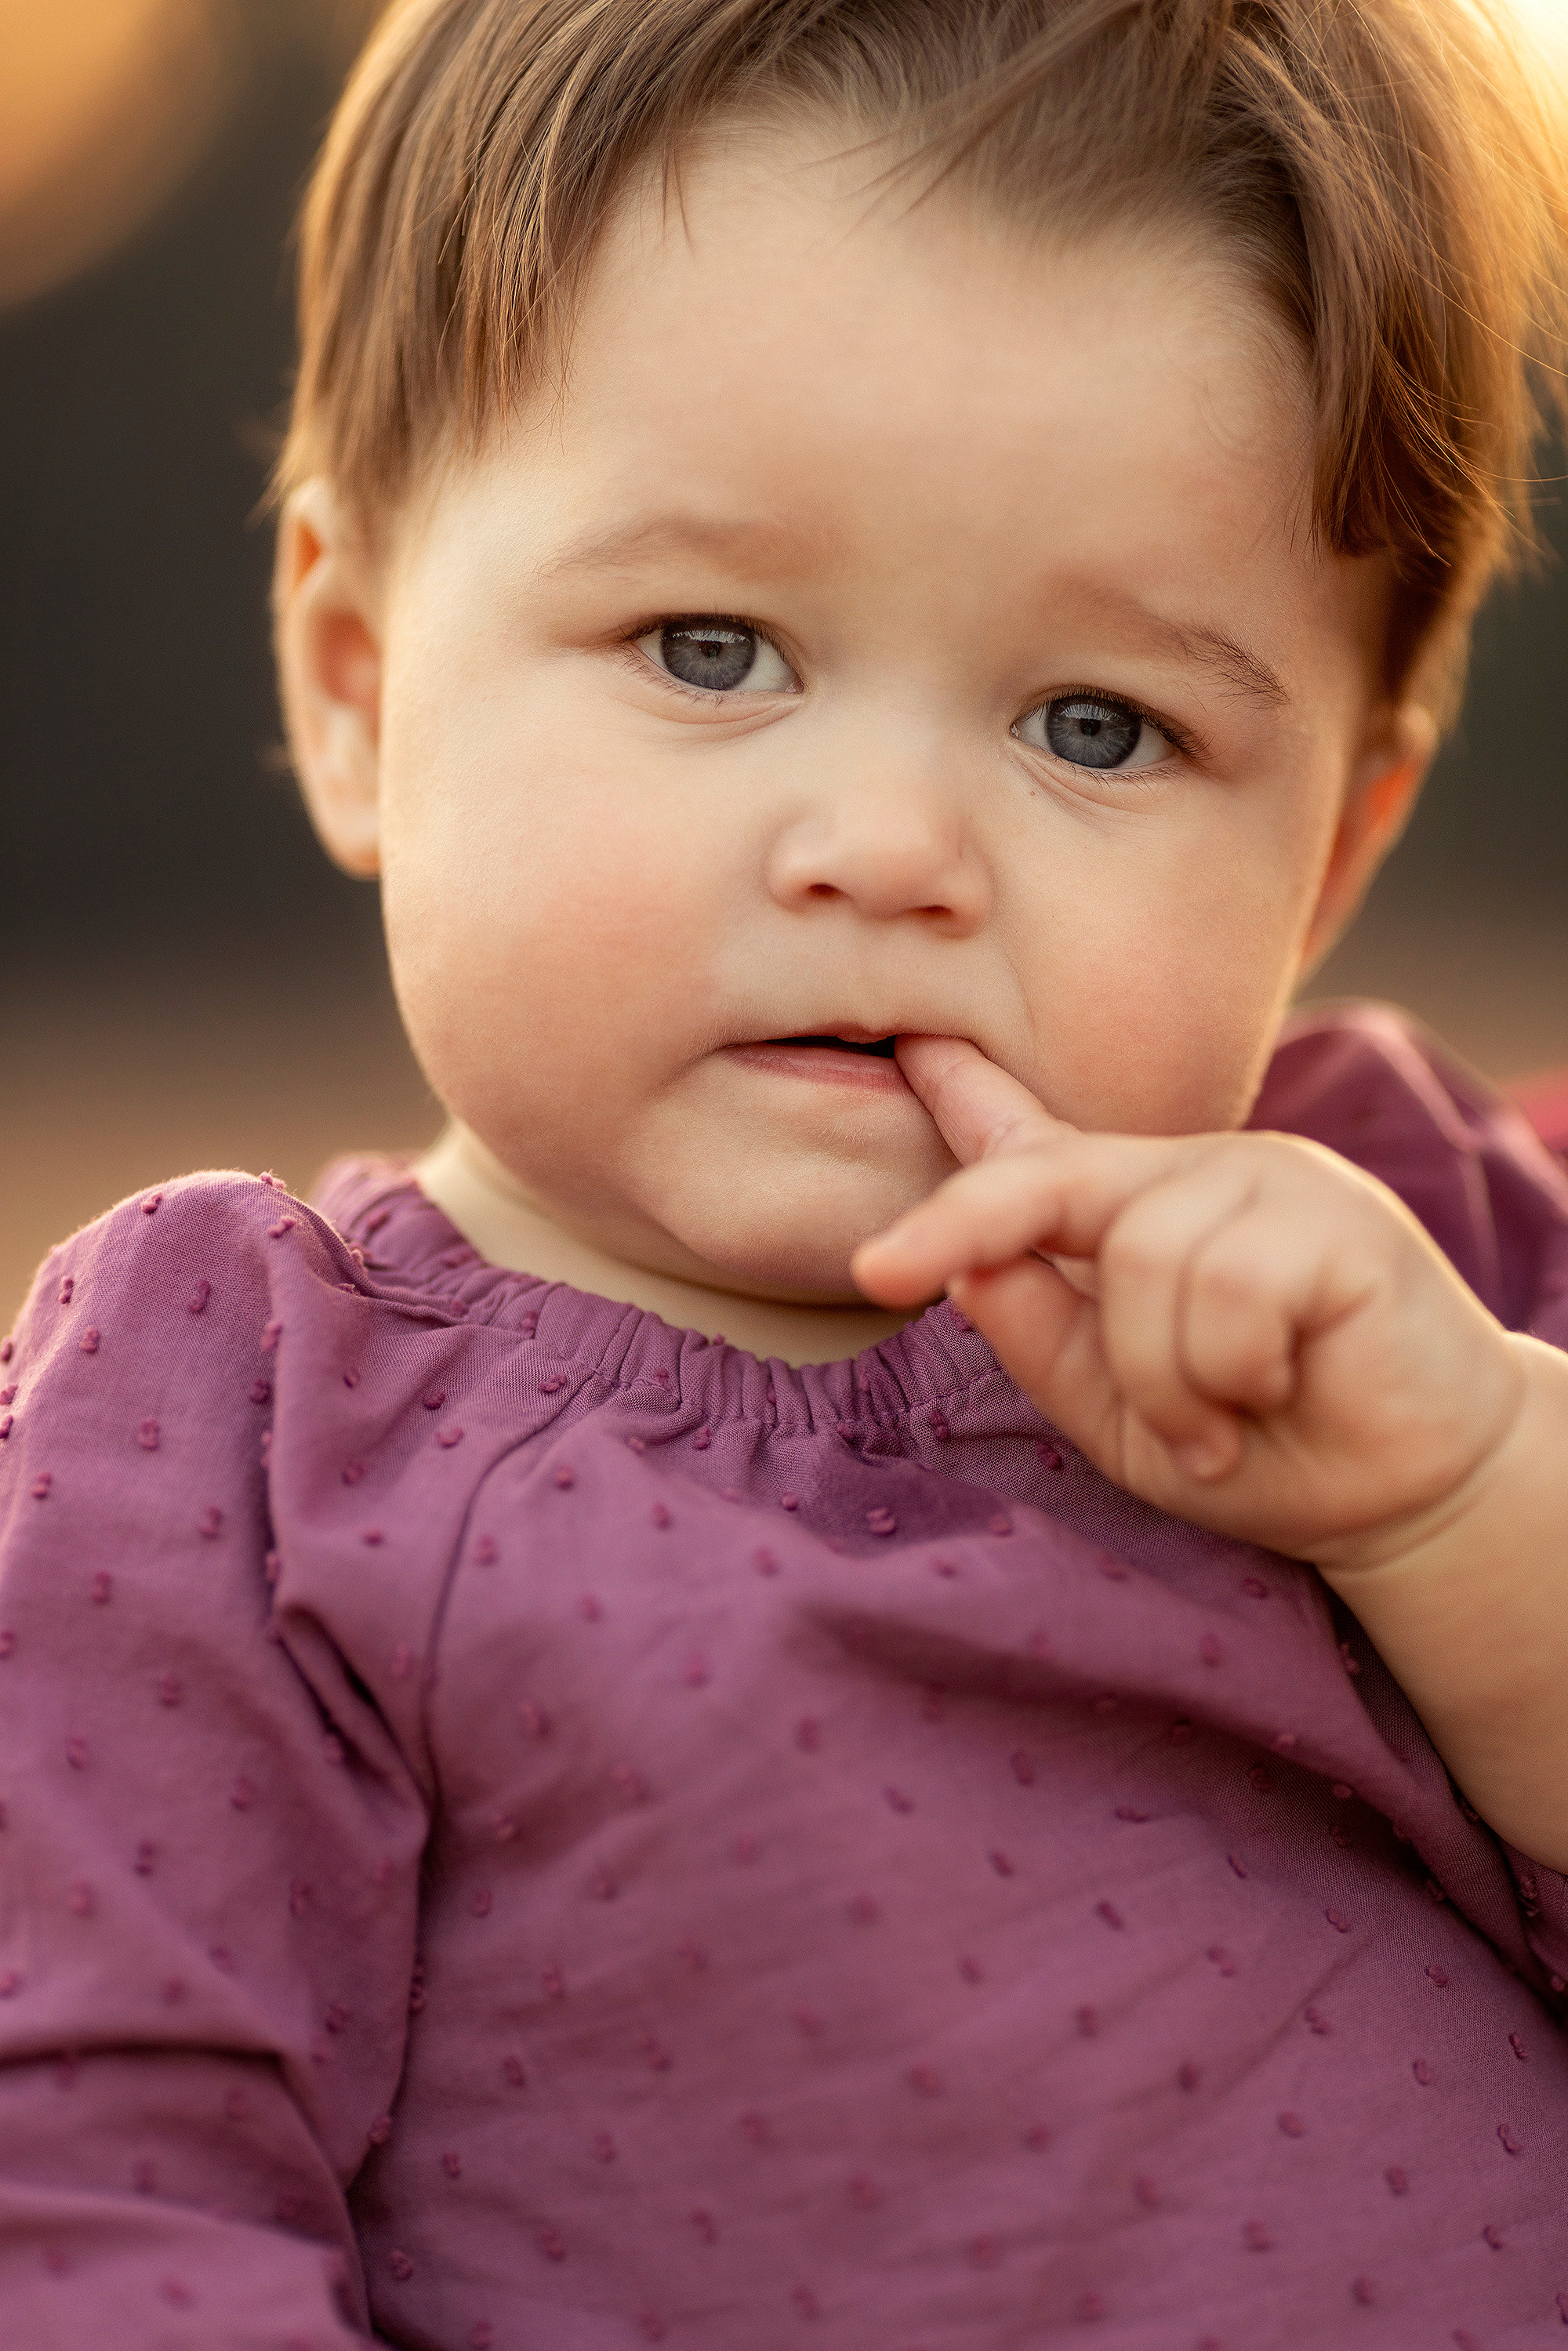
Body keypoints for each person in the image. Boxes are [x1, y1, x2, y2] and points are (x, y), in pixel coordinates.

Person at [4, 1, 1568, 2342]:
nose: (889, 848)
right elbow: (95, 2191)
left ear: (1333, 847)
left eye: (1097, 725)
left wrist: (1461, 1511)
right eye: (712, 647)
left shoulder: (1406, 1264)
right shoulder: (236, 1431)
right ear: (353, 686)